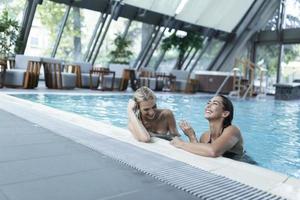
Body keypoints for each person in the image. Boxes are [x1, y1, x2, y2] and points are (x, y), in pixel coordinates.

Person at [171, 95, 244, 160]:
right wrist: (192, 136)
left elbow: (213, 151)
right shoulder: (205, 136)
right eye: (208, 103)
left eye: (215, 103)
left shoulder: (233, 130)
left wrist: (180, 144)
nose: (208, 106)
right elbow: (200, 153)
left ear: (225, 113)